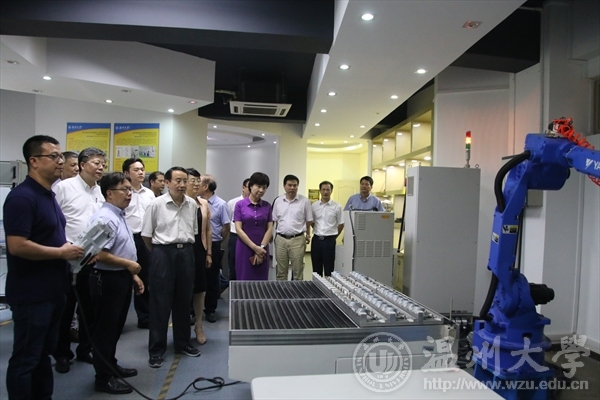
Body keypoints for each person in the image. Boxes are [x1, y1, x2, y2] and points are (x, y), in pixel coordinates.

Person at [4, 135, 85, 400]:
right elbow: (17, 245)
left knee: (42, 355)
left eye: (61, 156)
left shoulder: (48, 195)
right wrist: (61, 252)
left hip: (54, 290)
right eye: (53, 156)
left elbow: (50, 237)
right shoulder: (22, 197)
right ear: (34, 161)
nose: (61, 161)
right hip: (32, 294)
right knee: (26, 358)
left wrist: (71, 249)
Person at [88, 172, 144, 394]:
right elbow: (98, 254)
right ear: (109, 193)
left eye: (130, 189)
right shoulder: (105, 218)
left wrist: (132, 274)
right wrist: (129, 265)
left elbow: (121, 248)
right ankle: (103, 378)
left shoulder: (118, 215)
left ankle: (110, 366)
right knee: (105, 331)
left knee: (114, 328)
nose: (129, 194)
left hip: (120, 277)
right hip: (107, 280)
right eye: (125, 190)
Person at [52, 147, 106, 373]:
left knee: (89, 307)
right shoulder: (64, 188)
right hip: (68, 256)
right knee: (66, 309)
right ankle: (62, 354)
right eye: (96, 163)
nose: (101, 168)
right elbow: (54, 221)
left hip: (92, 258)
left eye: (103, 164)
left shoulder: (99, 191)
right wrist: (67, 246)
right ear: (82, 165)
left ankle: (86, 349)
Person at [141, 167, 201, 368]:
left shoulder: (192, 204)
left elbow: (193, 231)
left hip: (186, 253)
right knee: (160, 303)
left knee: (184, 301)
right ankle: (156, 350)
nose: (182, 184)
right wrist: (160, 253)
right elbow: (146, 235)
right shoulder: (156, 205)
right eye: (177, 180)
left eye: (185, 180)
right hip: (162, 253)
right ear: (167, 183)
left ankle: (182, 343)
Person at [122, 158, 155, 329]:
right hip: (127, 238)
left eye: (142, 169)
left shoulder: (149, 193)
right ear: (126, 173)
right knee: (124, 277)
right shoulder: (123, 192)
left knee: (145, 276)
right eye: (136, 170)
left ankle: (145, 317)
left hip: (145, 238)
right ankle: (119, 318)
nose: (141, 172)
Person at [197, 174, 230, 323]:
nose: (196, 184)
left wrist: (217, 241)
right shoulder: (195, 202)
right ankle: (193, 311)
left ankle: (210, 310)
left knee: (212, 279)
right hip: (198, 244)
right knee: (196, 278)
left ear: (205, 186)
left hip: (214, 244)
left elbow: (226, 227)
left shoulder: (221, 204)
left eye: (199, 182)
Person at [185, 168, 211, 345]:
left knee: (200, 290)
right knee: (183, 290)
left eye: (198, 181)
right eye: (192, 181)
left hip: (199, 249)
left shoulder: (203, 203)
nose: (196, 184)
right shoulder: (179, 202)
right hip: (182, 249)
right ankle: (183, 327)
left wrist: (208, 252)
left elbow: (208, 229)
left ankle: (199, 326)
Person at [272, 174, 313, 281]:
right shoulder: (278, 201)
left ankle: (296, 291)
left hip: (297, 240)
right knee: (281, 272)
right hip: (281, 239)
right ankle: (282, 291)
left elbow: (308, 220)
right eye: (289, 185)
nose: (292, 188)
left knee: (297, 271)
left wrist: (308, 235)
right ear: (284, 186)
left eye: (295, 185)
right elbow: (275, 219)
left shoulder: (304, 201)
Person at [234, 172, 273, 281]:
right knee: (244, 278)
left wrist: (261, 248)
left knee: (261, 280)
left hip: (262, 248)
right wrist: (255, 248)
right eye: (259, 186)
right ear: (251, 186)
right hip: (244, 247)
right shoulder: (240, 205)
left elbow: (269, 228)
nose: (261, 190)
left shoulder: (267, 206)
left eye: (264, 188)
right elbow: (238, 229)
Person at [311, 181, 344, 276]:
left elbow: (341, 224)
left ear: (331, 191)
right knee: (316, 269)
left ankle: (329, 285)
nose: (325, 192)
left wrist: (334, 236)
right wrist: (318, 230)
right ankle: (317, 285)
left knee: (329, 268)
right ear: (320, 191)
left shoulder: (337, 206)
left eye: (328, 190)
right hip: (316, 240)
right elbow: (312, 222)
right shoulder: (314, 206)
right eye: (323, 189)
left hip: (329, 241)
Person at [226, 178, 250, 281]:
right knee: (233, 265)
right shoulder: (233, 202)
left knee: (248, 266)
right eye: (249, 187)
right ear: (243, 188)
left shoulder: (256, 204)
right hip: (235, 237)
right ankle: (234, 287)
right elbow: (228, 221)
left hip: (250, 237)